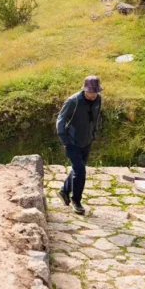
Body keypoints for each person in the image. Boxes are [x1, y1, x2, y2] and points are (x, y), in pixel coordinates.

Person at [56, 76, 103, 216]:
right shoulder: (73, 101)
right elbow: (60, 120)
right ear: (85, 89)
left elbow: (96, 118)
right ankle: (76, 201)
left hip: (87, 141)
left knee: (78, 169)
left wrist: (93, 133)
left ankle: (64, 191)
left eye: (96, 92)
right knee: (80, 171)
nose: (94, 94)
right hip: (72, 142)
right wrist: (65, 140)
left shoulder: (98, 99)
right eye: (91, 92)